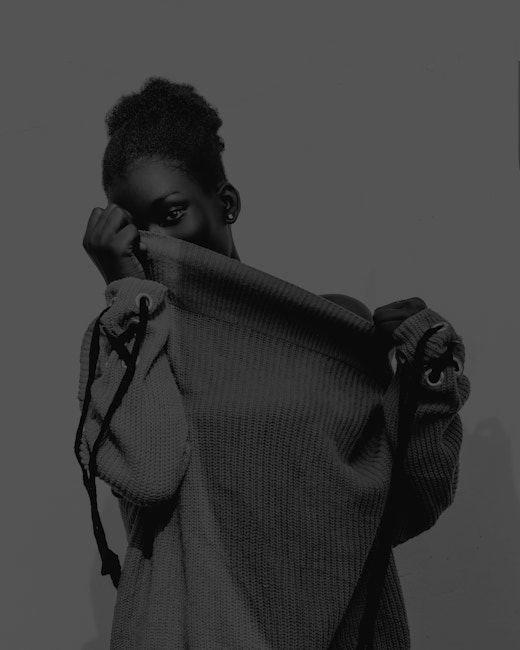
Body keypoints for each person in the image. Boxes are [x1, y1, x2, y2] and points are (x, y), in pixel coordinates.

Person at [76, 77, 470, 649]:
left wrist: (424, 368)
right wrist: (126, 295)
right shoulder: (128, 339)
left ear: (227, 204)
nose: (153, 241)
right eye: (131, 229)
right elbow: (150, 474)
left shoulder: (330, 328)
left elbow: (410, 503)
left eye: (172, 213)